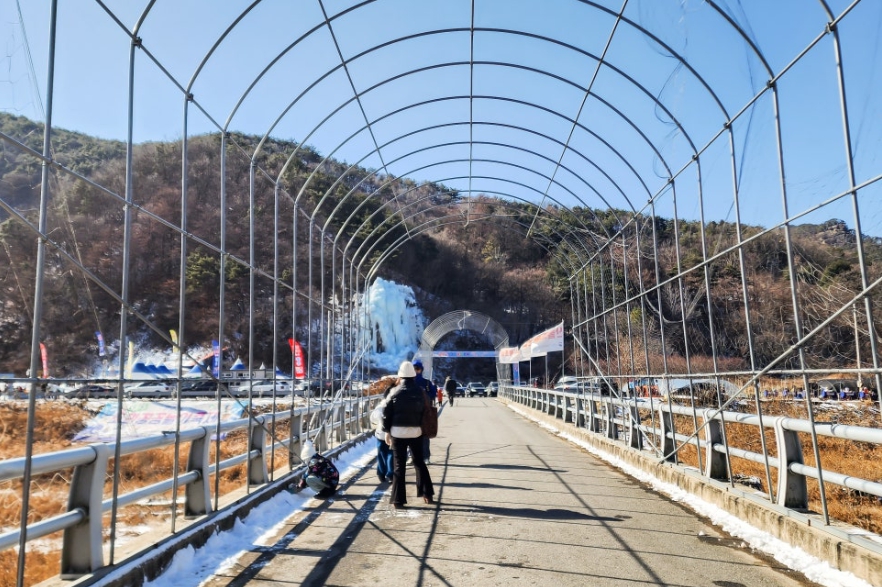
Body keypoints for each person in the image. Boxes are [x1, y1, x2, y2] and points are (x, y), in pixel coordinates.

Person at [383, 361, 435, 510]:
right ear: (413, 375)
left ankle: (398, 500)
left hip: (397, 432)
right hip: (416, 431)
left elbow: (386, 414)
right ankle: (427, 493)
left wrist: (387, 431)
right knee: (419, 462)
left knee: (399, 465)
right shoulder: (420, 392)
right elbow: (426, 411)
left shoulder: (393, 392)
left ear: (400, 375)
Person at [412, 359, 437, 464]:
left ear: (421, 369)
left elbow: (433, 394)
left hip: (424, 413)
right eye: (414, 369)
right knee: (412, 436)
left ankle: (426, 456)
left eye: (417, 368)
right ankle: (414, 456)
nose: (416, 371)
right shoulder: (409, 381)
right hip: (412, 413)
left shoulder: (426, 382)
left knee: (424, 436)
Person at [369, 383, 395, 483]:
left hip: (380, 434)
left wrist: (379, 421)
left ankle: (380, 473)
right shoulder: (395, 405)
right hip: (392, 434)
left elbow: (373, 418)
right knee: (391, 454)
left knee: (381, 454)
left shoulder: (380, 405)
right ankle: (390, 474)